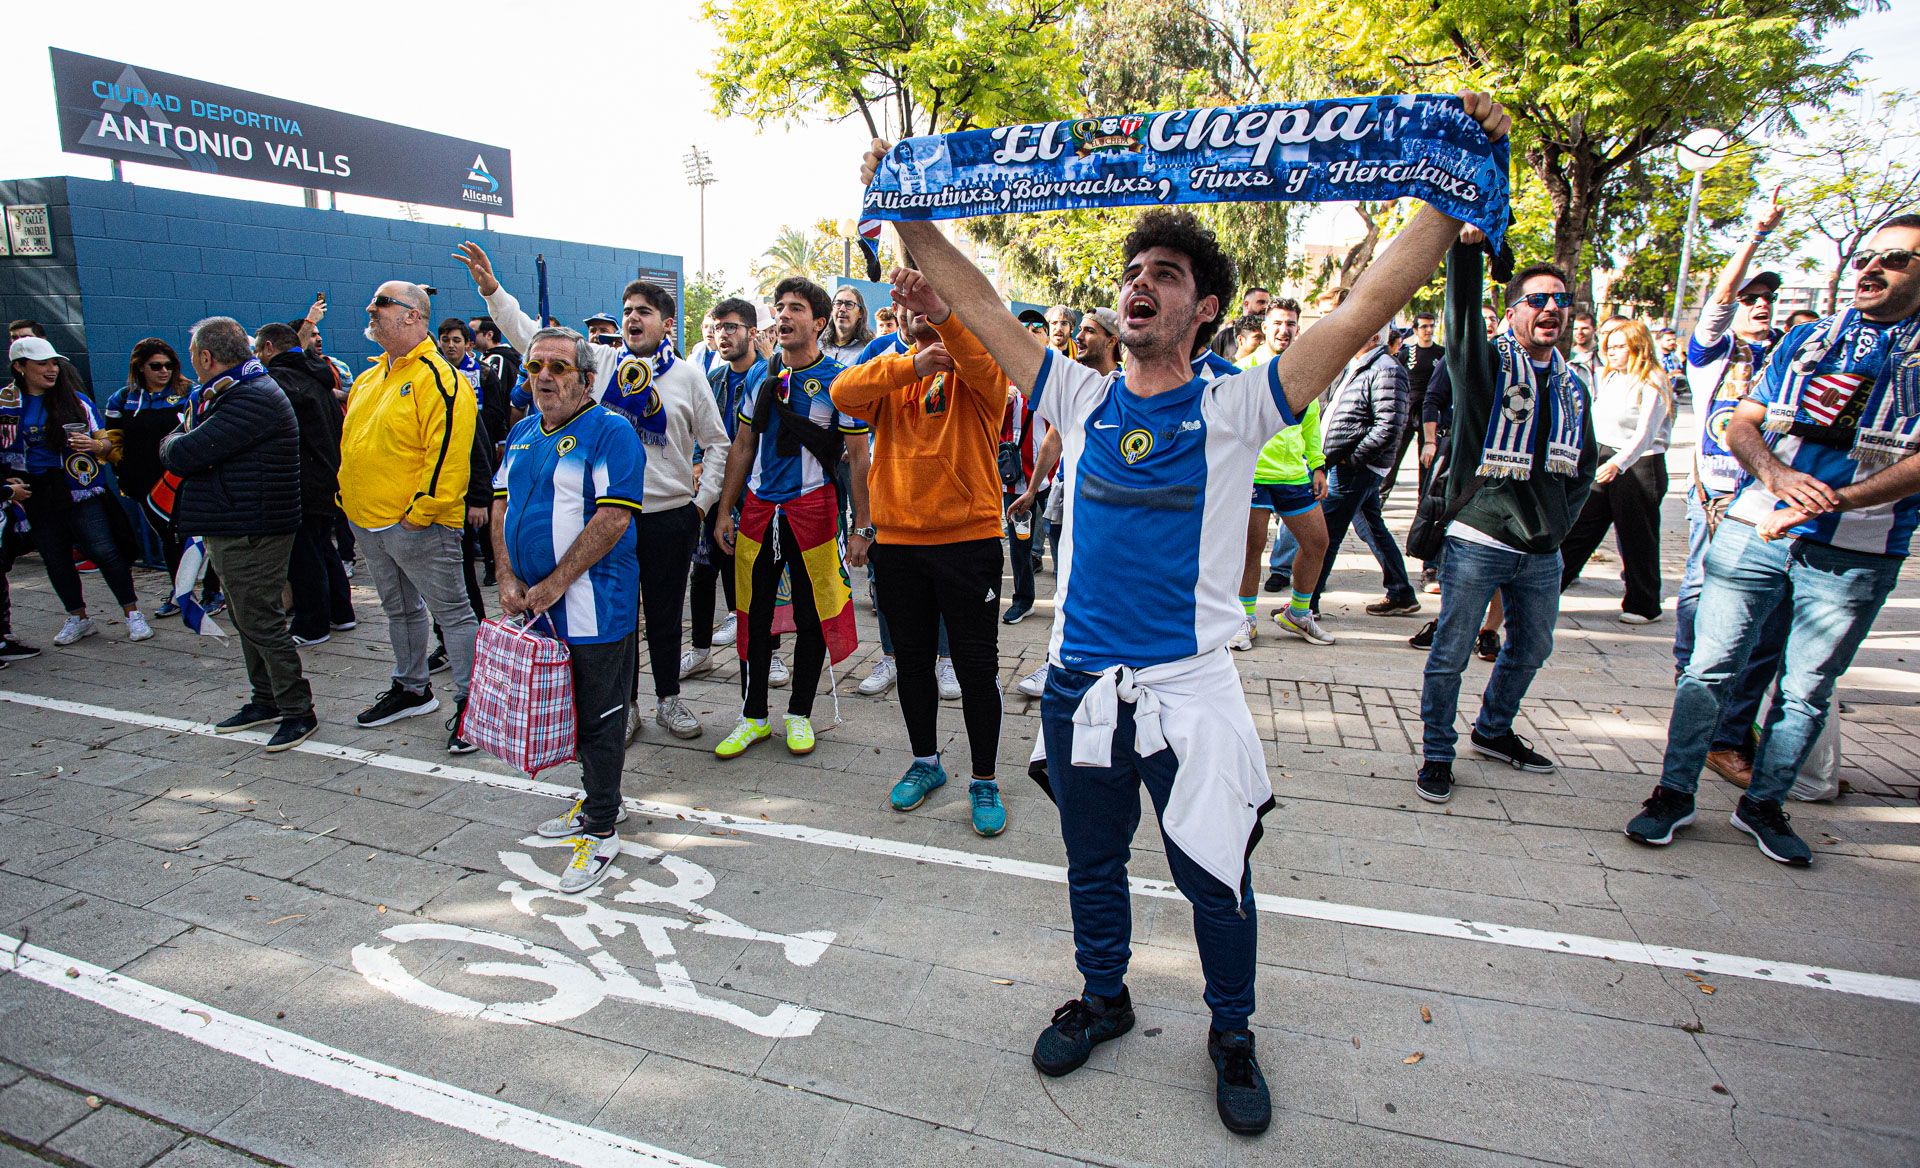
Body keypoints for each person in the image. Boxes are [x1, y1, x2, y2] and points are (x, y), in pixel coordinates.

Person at [861, 91, 1510, 1136]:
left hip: (1191, 690)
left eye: (1164, 276)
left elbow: (1359, 314)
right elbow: (977, 301)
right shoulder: (1075, 393)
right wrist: (906, 209)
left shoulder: (1239, 404)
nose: (1140, 286)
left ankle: (1233, 1029)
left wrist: (1449, 181)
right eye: (1133, 274)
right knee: (1089, 861)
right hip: (1081, 687)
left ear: (1205, 307)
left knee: (1216, 879)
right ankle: (1107, 996)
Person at [1628, 213, 1920, 865]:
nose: (1871, 268)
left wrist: (1832, 501)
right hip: (1753, 527)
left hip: (1857, 549)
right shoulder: (1810, 340)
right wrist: (1778, 475)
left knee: (1807, 686)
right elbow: (1744, 422)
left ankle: (1763, 805)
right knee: (1708, 666)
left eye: (1895, 260)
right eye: (1867, 256)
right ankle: (1672, 795)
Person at [460, 244, 733, 743]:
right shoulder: (600, 364)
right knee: (620, 614)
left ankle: (669, 699)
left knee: (667, 610)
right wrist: (493, 293)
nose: (633, 318)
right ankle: (624, 705)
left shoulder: (689, 377)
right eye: (627, 310)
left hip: (669, 514)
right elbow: (532, 338)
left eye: (644, 312)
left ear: (666, 323)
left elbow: (718, 444)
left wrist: (702, 503)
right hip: (605, 522)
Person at [1416, 234, 1597, 805]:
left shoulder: (1573, 385)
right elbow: (1462, 318)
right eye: (1538, 300)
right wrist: (1466, 252)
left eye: (1561, 302)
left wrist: (1559, 524)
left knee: (1532, 647)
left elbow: (1584, 464)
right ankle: (1437, 754)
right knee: (1452, 650)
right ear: (1514, 308)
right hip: (1480, 538)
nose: (1551, 310)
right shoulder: (1486, 365)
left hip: (1542, 549)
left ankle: (1493, 730)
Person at [832, 268, 1010, 836]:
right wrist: (911, 362)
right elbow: (842, 393)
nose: (916, 316)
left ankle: (984, 778)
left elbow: (981, 361)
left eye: (928, 308)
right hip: (899, 545)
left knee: (977, 669)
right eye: (907, 309)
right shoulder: (893, 377)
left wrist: (941, 315)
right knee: (912, 665)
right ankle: (926, 762)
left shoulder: (980, 373)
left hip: (969, 543)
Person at [496, 327, 649, 894]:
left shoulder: (611, 432)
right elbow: (499, 505)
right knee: (565, 711)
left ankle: (604, 830)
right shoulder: (520, 434)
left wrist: (559, 581)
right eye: (537, 366)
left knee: (600, 716)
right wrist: (507, 575)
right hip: (539, 607)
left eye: (559, 367)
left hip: (593, 606)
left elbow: (613, 518)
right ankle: (595, 801)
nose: (544, 377)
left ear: (586, 379)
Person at [711, 277, 872, 758]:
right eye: (779, 307)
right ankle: (753, 715)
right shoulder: (759, 376)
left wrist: (862, 525)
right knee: (754, 614)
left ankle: (799, 712)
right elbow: (742, 446)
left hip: (815, 508)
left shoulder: (840, 382)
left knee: (810, 613)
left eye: (796, 308)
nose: (783, 315)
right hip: (758, 509)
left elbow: (859, 458)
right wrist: (725, 510)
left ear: (819, 323)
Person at [1675, 196, 1789, 786]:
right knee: (1699, 615)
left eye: (1767, 298)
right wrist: (1755, 236)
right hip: (1716, 507)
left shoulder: (1787, 358)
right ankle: (1696, 717)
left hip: (1771, 512)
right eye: (1751, 298)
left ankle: (1730, 734)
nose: (1759, 305)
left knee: (1765, 628)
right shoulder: (1714, 355)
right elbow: (1718, 303)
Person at [338, 282, 481, 751]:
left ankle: (474, 705)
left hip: (416, 523)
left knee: (453, 614)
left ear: (412, 316)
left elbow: (448, 456)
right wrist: (348, 502)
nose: (370, 309)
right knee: (398, 608)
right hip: (368, 521)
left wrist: (420, 515)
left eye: (380, 303)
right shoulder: (369, 377)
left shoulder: (441, 377)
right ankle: (412, 688)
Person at [160, 317, 315, 750]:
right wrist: (179, 438)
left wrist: (175, 440)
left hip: (253, 527)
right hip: (237, 522)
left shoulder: (250, 396)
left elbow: (183, 451)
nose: (192, 365)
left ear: (207, 357)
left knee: (261, 620)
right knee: (246, 617)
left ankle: (297, 709)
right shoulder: (234, 393)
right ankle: (265, 699)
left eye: (193, 357)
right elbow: (186, 442)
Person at [2, 339, 151, 645]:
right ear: (20, 367)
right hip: (33, 490)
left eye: (54, 363)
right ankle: (78, 618)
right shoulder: (6, 404)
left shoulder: (76, 400)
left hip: (78, 486)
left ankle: (133, 613)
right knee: (55, 557)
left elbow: (106, 444)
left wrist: (96, 446)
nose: (51, 369)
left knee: (104, 550)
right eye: (42, 363)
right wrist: (8, 486)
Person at [1557, 317, 1673, 622]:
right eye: (1609, 346)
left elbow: (1646, 432)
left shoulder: (1653, 380)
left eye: (1620, 346)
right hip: (1603, 456)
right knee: (1580, 527)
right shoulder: (1611, 377)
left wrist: (1618, 464)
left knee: (1637, 536)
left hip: (1638, 463)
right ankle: (1547, 588)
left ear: (1637, 347)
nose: (1612, 352)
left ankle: (1643, 604)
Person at [250, 324, 357, 647]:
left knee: (304, 553)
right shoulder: (318, 375)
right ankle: (341, 611)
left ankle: (312, 624)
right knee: (323, 546)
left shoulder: (278, 382)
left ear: (269, 348)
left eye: (258, 350)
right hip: (327, 473)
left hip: (300, 479)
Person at [1308, 325, 1420, 618]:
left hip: (1355, 468)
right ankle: (1401, 592)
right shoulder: (1358, 365)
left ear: (1373, 337)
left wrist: (1351, 460)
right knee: (1370, 526)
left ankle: (1306, 604)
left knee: (1326, 534)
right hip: (1347, 464)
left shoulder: (1386, 369)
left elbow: (1388, 426)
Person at [683, 298, 761, 678]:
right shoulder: (711, 380)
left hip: (757, 493)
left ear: (751, 332)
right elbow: (701, 433)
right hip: (714, 489)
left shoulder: (766, 377)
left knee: (750, 572)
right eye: (717, 328)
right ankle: (699, 649)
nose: (722, 334)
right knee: (702, 569)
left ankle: (764, 651)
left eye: (731, 327)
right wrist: (699, 463)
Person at [103, 339, 197, 617]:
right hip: (145, 482)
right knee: (169, 539)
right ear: (140, 367)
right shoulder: (122, 398)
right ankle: (181, 591)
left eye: (169, 365)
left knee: (197, 535)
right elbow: (114, 441)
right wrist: (103, 452)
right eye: (156, 366)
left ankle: (213, 592)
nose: (163, 371)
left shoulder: (189, 392)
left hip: (183, 478)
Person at [1381, 310, 1444, 502]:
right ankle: (1380, 497)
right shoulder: (1406, 354)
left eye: (1431, 325)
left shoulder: (1441, 354)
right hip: (1407, 411)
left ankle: (1423, 502)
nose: (1428, 330)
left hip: (1430, 413)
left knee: (1427, 461)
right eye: (1424, 326)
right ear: (1415, 330)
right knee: (1394, 457)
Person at [1210, 287, 1271, 356]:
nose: (1266, 307)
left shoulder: (1272, 335)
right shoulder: (1225, 336)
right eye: (1261, 302)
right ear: (1246, 304)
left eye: (1268, 303)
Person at [822, 285, 875, 365]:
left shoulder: (869, 349)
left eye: (849, 304)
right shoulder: (818, 344)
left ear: (860, 313)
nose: (842, 309)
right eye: (838, 303)